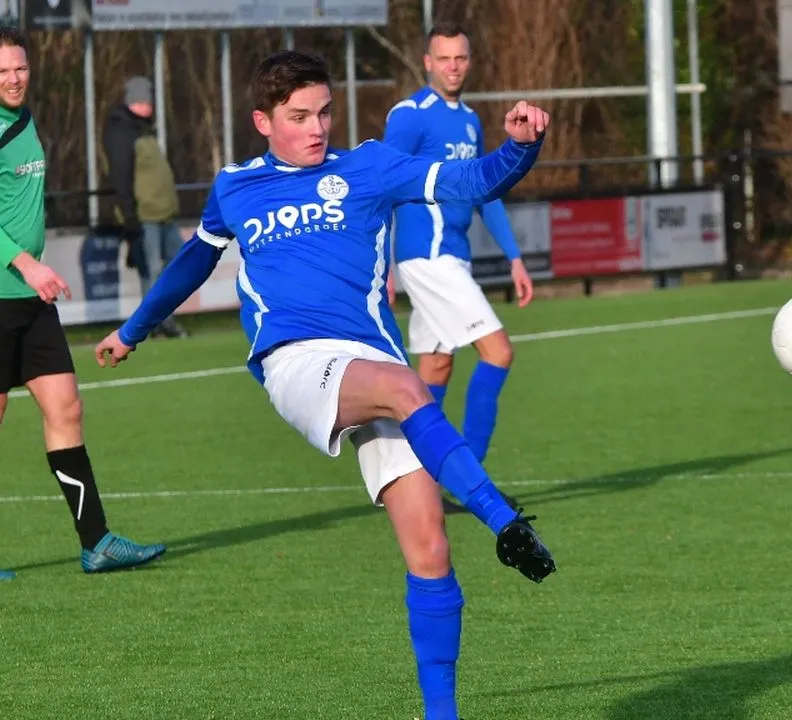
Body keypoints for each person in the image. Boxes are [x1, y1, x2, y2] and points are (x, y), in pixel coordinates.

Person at [93, 51, 556, 720]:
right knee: (406, 387)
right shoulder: (236, 186)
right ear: (263, 120)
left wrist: (523, 145)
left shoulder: (366, 165)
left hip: (373, 357)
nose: (317, 128)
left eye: (325, 112)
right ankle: (502, 519)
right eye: (298, 116)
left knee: (429, 549)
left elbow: (468, 182)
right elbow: (194, 260)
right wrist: (133, 328)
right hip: (297, 361)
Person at [0, 28, 166, 582]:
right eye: (2, 71)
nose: (14, 78)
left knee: (65, 407)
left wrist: (32, 272)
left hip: (29, 295)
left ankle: (97, 543)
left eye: (20, 68)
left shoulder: (26, 115)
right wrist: (26, 262)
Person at [384, 22, 532, 513]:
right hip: (426, 256)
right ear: (426, 62)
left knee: (435, 367)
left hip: (452, 256)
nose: (453, 67)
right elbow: (382, 188)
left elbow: (484, 192)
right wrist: (382, 264)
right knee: (499, 352)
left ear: (469, 61)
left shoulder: (469, 121)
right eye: (444, 58)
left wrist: (513, 256)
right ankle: (474, 483)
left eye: (461, 58)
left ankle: (413, 478)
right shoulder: (409, 116)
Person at [102, 74, 188, 338]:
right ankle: (157, 325)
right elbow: (121, 177)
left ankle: (162, 321)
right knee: (151, 271)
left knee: (178, 264)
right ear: (132, 102)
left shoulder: (142, 129)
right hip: (144, 215)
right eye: (143, 100)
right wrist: (129, 217)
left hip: (163, 214)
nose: (148, 105)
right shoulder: (121, 132)